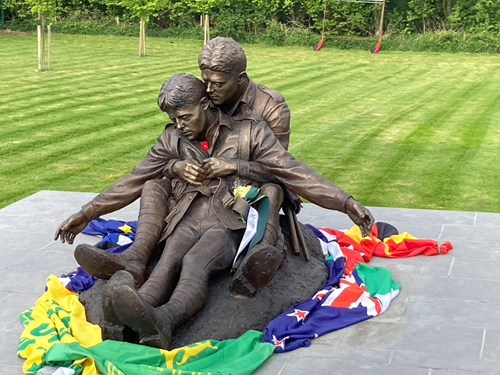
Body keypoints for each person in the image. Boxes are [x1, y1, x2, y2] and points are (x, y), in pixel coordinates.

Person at [100, 74, 374, 349]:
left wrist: (346, 203)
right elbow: (136, 178)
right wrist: (87, 213)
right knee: (168, 259)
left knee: (196, 262)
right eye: (175, 120)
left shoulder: (250, 130)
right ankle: (136, 311)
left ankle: (165, 319)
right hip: (191, 213)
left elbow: (292, 171)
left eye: (184, 117)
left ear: (205, 105)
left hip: (231, 220)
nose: (179, 125)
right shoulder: (176, 136)